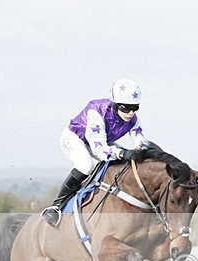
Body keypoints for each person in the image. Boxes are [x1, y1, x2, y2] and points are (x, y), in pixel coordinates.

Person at [42, 78, 148, 227]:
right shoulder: (96, 111)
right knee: (86, 165)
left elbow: (141, 143)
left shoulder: (133, 119)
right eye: (126, 108)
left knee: (116, 166)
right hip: (75, 138)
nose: (131, 113)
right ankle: (56, 206)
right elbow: (99, 149)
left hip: (101, 141)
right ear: (115, 104)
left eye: (135, 108)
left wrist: (145, 155)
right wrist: (123, 154)